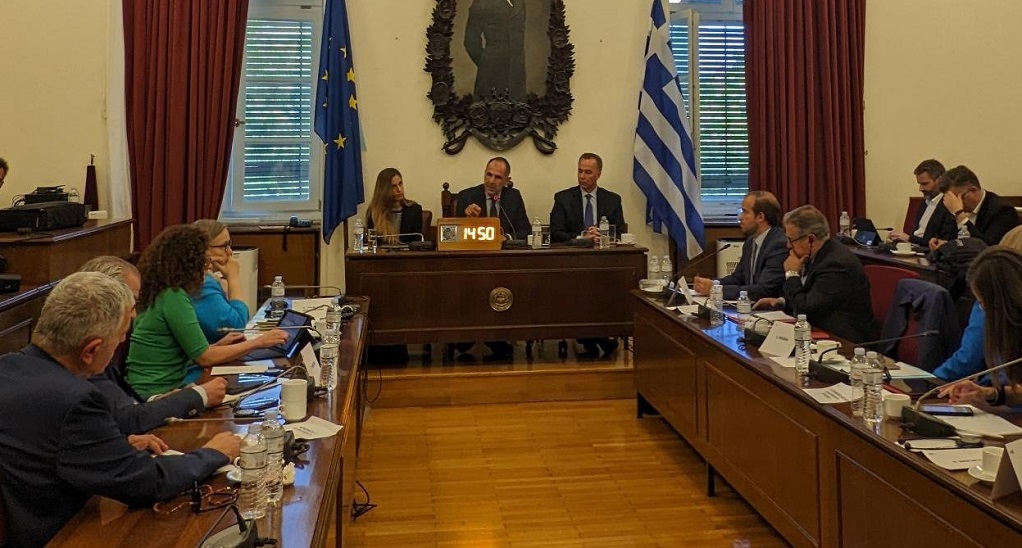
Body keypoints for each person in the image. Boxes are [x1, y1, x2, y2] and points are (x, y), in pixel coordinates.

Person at [0, 272, 240, 547]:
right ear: (90, 351)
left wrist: (111, 448)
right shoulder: (75, 400)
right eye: (120, 337)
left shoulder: (8, 366)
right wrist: (214, 453)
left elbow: (49, 448)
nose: (122, 342)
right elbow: (147, 482)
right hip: (66, 536)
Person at [126, 225, 288, 400]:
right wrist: (259, 342)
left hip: (151, 386)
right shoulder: (173, 297)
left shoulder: (160, 292)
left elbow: (181, 352)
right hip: (156, 392)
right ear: (187, 265)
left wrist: (218, 346)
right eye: (203, 262)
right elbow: (205, 358)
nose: (207, 267)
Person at [79, 255, 228, 435]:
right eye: (131, 302)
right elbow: (130, 419)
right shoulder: (89, 352)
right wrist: (198, 396)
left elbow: (127, 409)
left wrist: (163, 400)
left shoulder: (100, 347)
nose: (134, 314)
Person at [754, 205, 877, 343]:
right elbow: (809, 297)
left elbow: (806, 310)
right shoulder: (815, 256)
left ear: (811, 239)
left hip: (843, 341)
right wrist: (781, 302)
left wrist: (791, 274)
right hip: (816, 332)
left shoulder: (837, 264)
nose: (788, 245)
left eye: (791, 240)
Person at [931, 225, 1022, 381]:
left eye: (983, 303)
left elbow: (968, 360)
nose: (982, 307)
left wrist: (933, 382)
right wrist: (987, 392)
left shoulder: (994, 301)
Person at [940, 247, 1022, 406]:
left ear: (1005, 301)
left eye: (984, 304)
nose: (981, 310)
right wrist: (988, 393)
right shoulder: (1002, 325)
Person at [693, 190, 787, 301]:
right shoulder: (750, 242)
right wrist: (713, 283)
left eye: (745, 212)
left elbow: (764, 290)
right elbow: (738, 278)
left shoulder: (778, 244)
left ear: (760, 217)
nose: (740, 217)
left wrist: (716, 290)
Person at [929, 165, 1020, 249]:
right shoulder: (953, 208)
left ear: (973, 190)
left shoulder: (1003, 211)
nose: (956, 203)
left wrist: (960, 215)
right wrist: (946, 244)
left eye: (959, 198)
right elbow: (955, 240)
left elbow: (988, 249)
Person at [191, 219, 251, 342]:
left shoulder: (207, 279)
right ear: (203, 249)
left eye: (229, 244)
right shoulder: (201, 283)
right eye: (224, 246)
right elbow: (235, 327)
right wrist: (233, 278)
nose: (230, 251)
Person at [549, 153, 626, 244]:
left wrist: (601, 236)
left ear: (598, 174)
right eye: (580, 171)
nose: (582, 176)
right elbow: (555, 233)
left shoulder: (612, 200)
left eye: (588, 172)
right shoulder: (563, 199)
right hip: (573, 251)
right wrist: (582, 237)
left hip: (603, 250)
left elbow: (620, 233)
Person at [464, 0, 526, 101]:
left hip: (517, 76)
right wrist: (486, 63)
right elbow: (471, 41)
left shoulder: (519, 3)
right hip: (491, 75)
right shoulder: (482, 3)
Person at [456, 156, 530, 241]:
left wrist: (506, 238)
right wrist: (468, 220)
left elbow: (525, 231)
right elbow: (456, 233)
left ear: (507, 180)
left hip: (504, 248)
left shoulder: (513, 197)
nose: (491, 181)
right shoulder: (466, 197)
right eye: (489, 174)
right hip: (477, 247)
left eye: (498, 177)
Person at [889, 159, 957, 247]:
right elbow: (917, 234)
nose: (920, 189)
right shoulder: (924, 203)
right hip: (915, 248)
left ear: (940, 180)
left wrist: (909, 238)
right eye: (919, 184)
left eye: (924, 184)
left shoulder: (949, 205)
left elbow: (941, 242)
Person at [366, 167, 424, 244]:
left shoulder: (414, 210)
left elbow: (417, 242)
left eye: (400, 184)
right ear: (383, 190)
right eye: (393, 186)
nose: (399, 189)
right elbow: (372, 244)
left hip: (407, 251)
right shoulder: (374, 212)